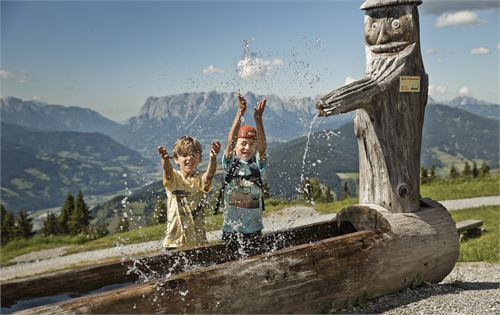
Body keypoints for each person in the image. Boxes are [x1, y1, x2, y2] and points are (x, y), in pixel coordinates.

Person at [219, 92, 268, 248]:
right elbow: (230, 142)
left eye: (252, 144)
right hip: (231, 230)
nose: (248, 147)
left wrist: (258, 119)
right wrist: (240, 113)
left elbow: (262, 148)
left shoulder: (258, 166)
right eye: (243, 143)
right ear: (235, 148)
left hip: (254, 229)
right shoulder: (230, 165)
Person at [158, 136, 221, 249]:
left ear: (200, 158)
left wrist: (213, 159)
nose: (189, 158)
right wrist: (165, 159)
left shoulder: (199, 179)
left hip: (198, 241)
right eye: (185, 155)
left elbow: (209, 176)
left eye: (193, 154)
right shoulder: (174, 178)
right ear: (176, 159)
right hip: (174, 241)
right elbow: (167, 170)